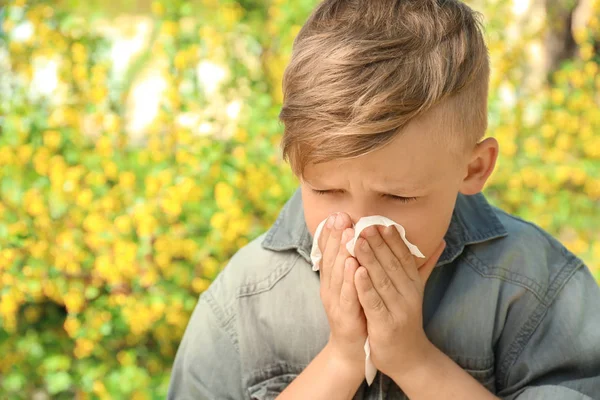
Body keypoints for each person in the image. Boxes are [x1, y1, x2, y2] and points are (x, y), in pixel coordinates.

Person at [167, 0, 600, 399]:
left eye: (398, 196)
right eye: (326, 190)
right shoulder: (246, 298)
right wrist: (343, 358)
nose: (358, 230)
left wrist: (414, 360)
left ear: (473, 168)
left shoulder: (535, 287)